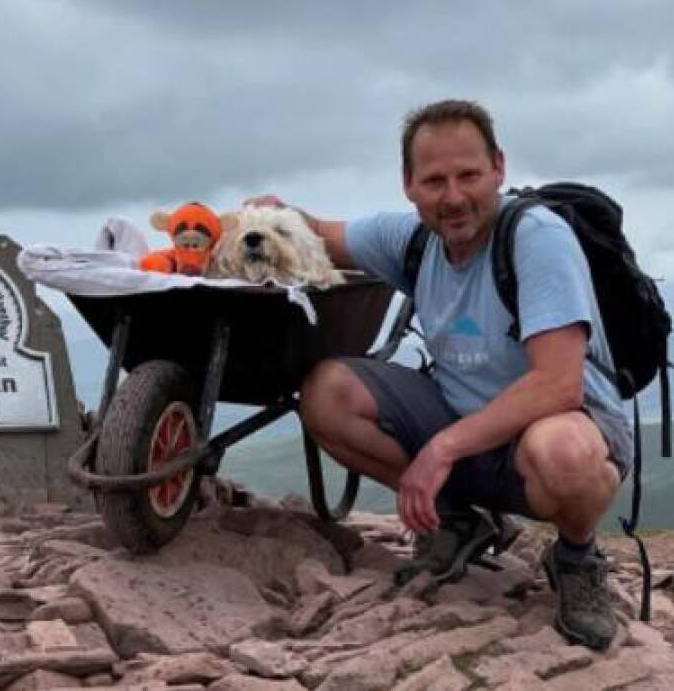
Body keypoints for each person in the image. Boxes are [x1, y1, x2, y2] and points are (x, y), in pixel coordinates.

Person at [252, 99, 631, 650]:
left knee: (565, 455)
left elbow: (558, 385)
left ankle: (576, 556)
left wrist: (442, 449)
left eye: (469, 176)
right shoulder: (411, 239)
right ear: (408, 184)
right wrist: (272, 215)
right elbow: (315, 232)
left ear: (498, 168)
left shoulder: (536, 238)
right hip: (465, 424)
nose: (453, 197)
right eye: (434, 180)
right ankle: (456, 520)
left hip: (557, 428)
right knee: (326, 394)